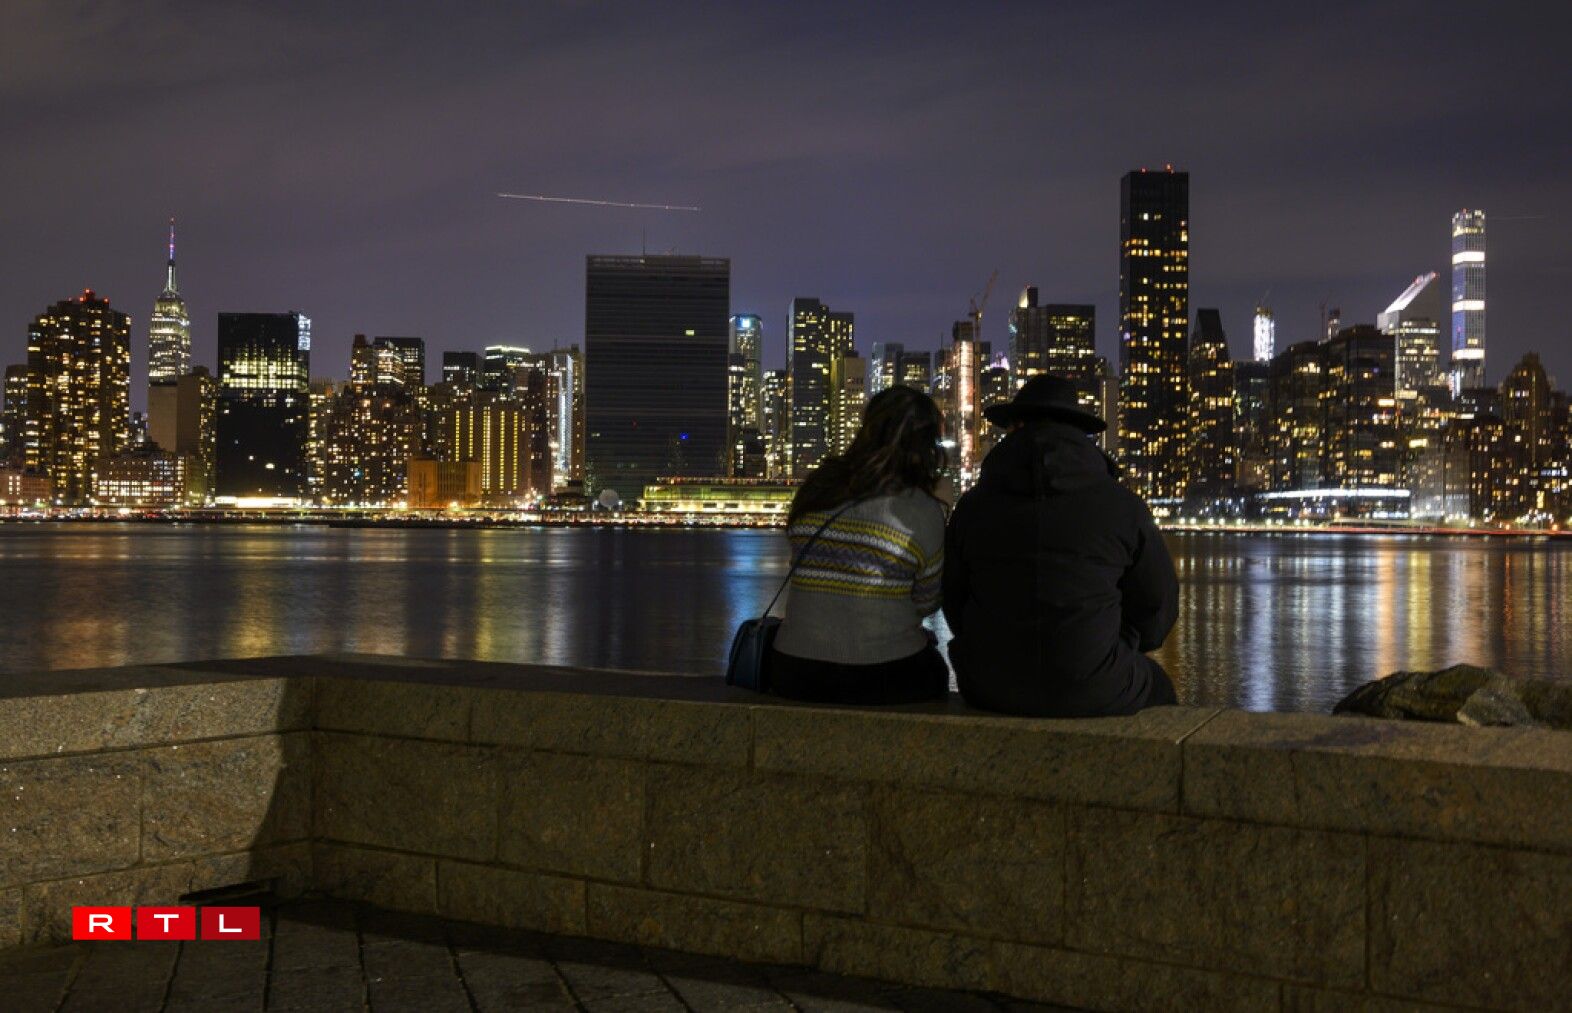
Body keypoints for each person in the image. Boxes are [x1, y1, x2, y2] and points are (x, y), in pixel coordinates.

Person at [942, 374, 1179, 716]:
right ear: (1080, 433)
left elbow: (954, 601)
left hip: (987, 683)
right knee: (1159, 686)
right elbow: (1157, 609)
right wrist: (1118, 639)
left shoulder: (973, 506)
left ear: (1015, 428)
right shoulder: (1122, 506)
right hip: (1095, 684)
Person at [770, 385, 950, 704]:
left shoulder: (818, 488)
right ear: (926, 446)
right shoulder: (920, 510)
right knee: (935, 667)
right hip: (879, 674)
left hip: (792, 669)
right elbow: (928, 602)